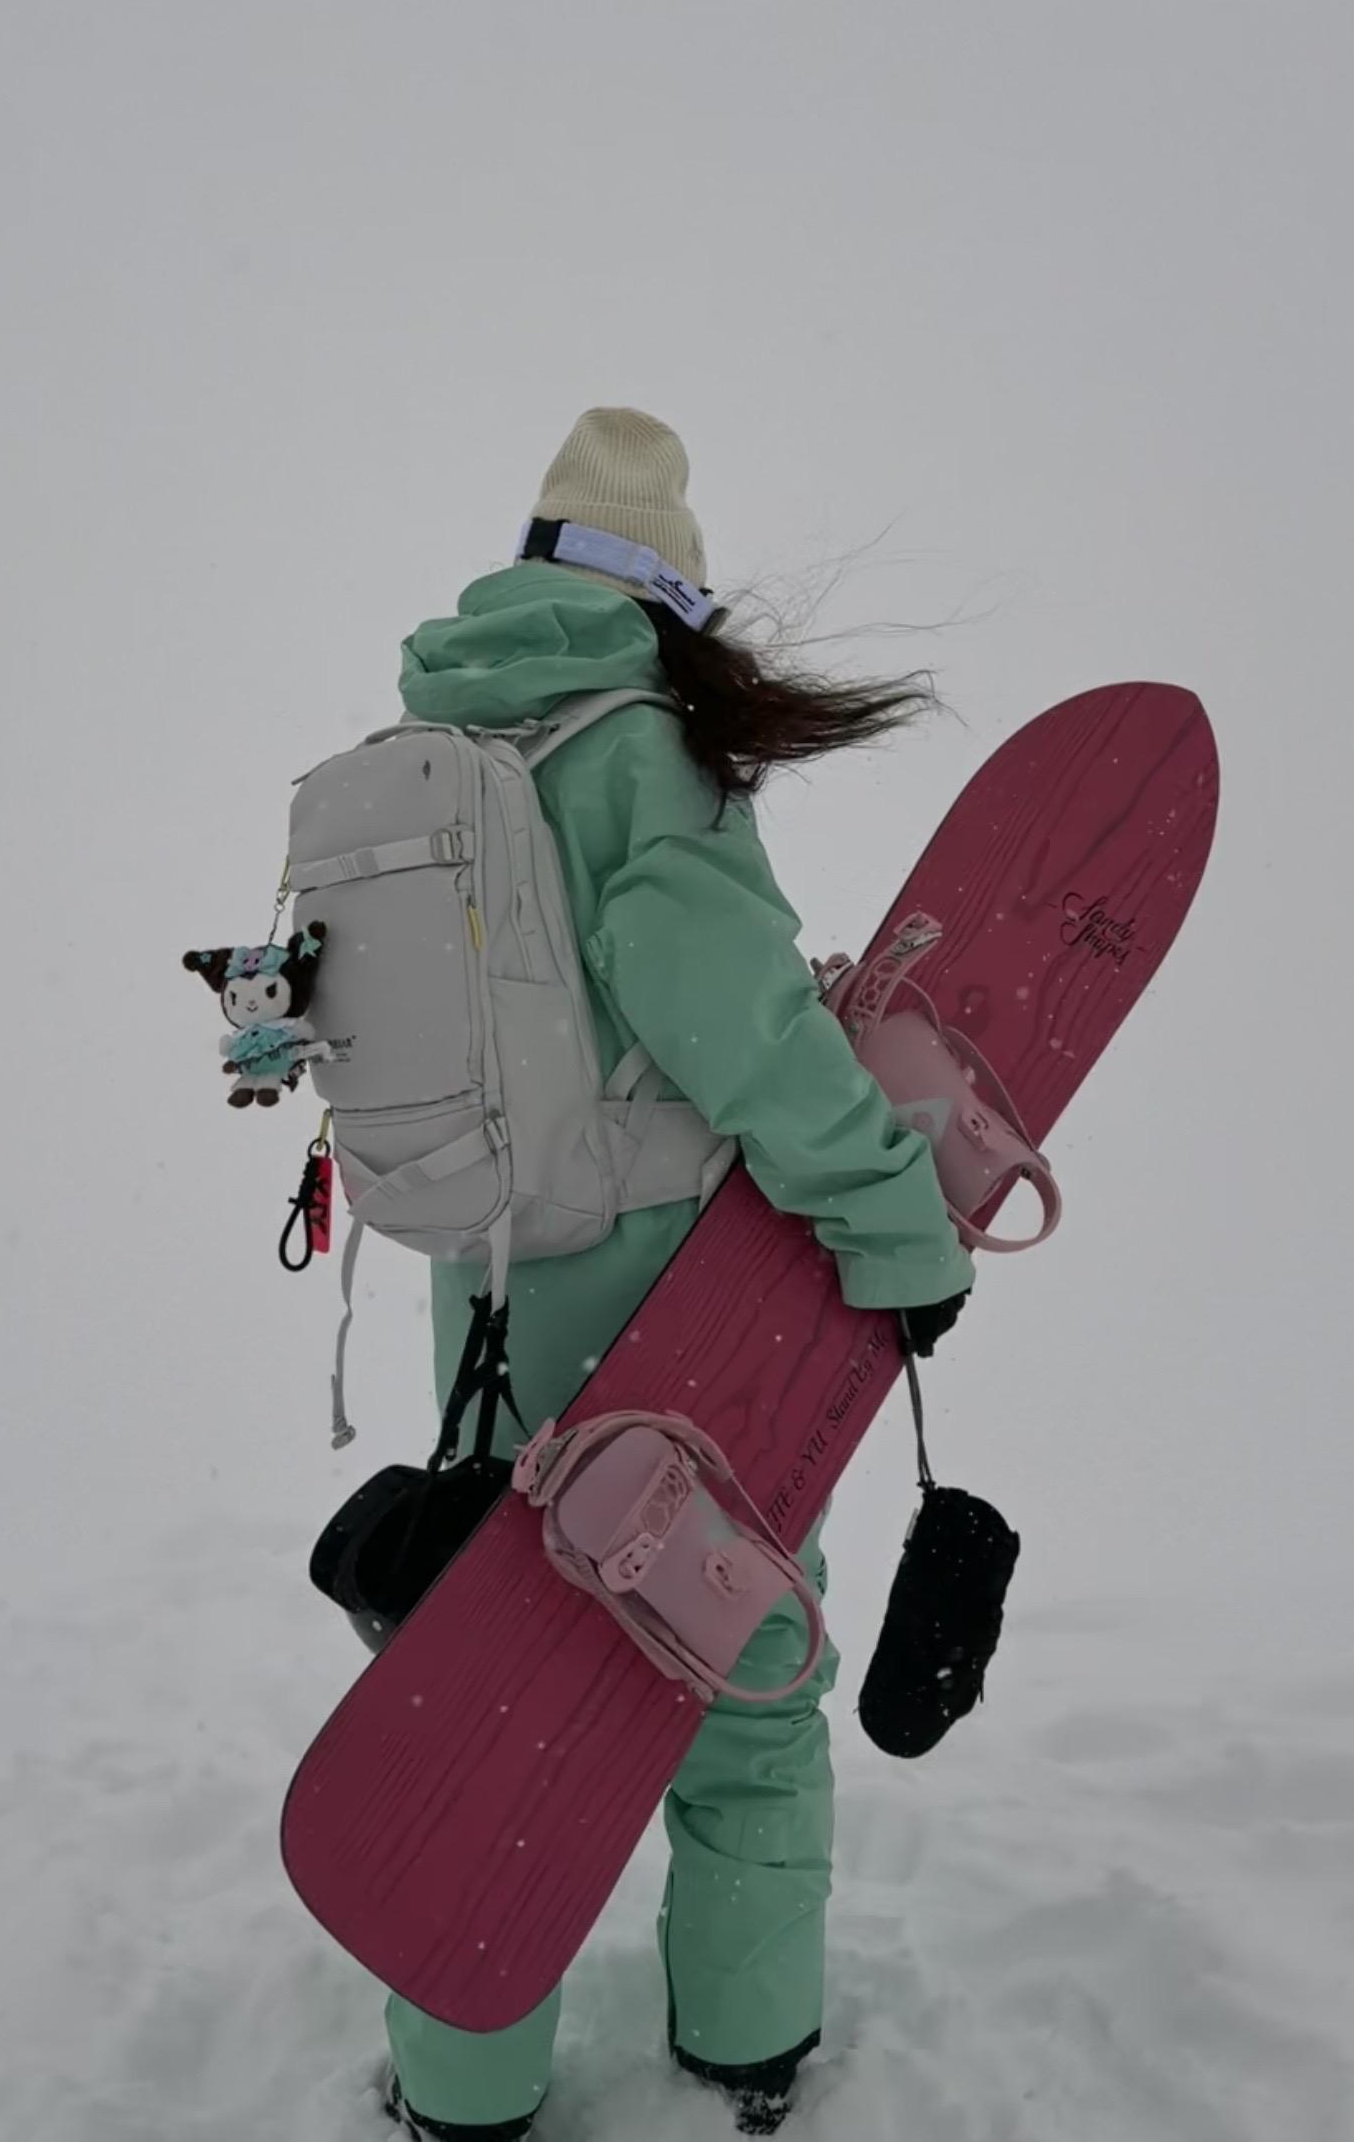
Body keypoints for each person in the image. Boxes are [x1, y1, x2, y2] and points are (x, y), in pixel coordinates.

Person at [381, 409, 972, 2142]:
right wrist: (895, 1225)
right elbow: (739, 1019)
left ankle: (459, 2086)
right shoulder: (637, 738)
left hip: (489, 1310)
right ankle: (746, 2054)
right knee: (738, 1677)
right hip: (674, 1326)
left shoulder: (436, 737)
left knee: (509, 1695)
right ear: (666, 582)